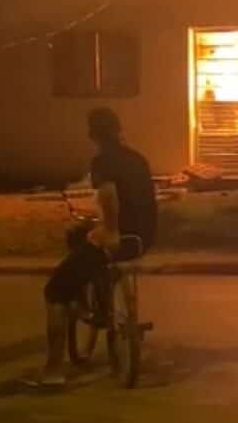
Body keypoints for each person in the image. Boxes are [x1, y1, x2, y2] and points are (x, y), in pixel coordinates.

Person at [26, 108, 157, 388]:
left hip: (117, 239)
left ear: (92, 135)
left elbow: (109, 197)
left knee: (55, 290)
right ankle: (100, 296)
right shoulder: (137, 159)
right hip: (142, 238)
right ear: (119, 129)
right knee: (79, 234)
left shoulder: (103, 161)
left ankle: (52, 371)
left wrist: (109, 230)